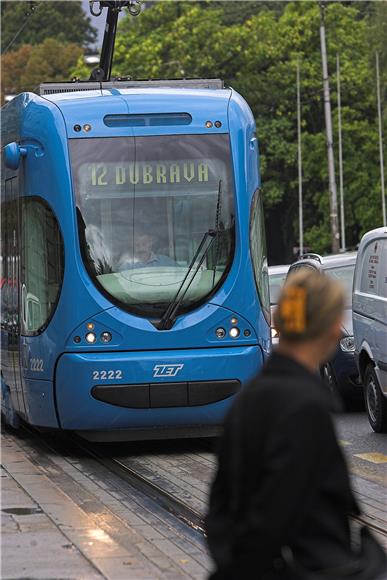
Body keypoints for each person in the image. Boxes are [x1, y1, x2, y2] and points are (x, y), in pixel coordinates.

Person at [206, 270, 386, 580]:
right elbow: (277, 512)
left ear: (279, 322)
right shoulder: (304, 407)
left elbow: (221, 505)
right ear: (331, 329)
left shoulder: (250, 396)